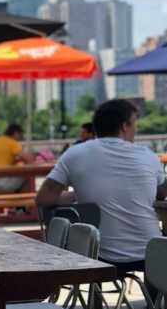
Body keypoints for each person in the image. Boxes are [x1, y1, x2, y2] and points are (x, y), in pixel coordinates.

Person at [36, 98, 167, 283]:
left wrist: (77, 195)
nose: (135, 129)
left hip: (94, 255)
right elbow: (161, 193)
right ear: (124, 126)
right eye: (134, 124)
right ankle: (155, 300)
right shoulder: (148, 156)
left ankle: (100, 296)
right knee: (160, 252)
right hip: (148, 254)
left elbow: (43, 198)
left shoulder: (74, 154)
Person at [0, 123, 35, 192]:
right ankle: (27, 198)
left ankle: (15, 197)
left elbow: (2, 159)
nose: (21, 138)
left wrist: (17, 160)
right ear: (16, 133)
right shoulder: (13, 143)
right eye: (20, 135)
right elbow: (29, 159)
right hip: (2, 182)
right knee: (28, 174)